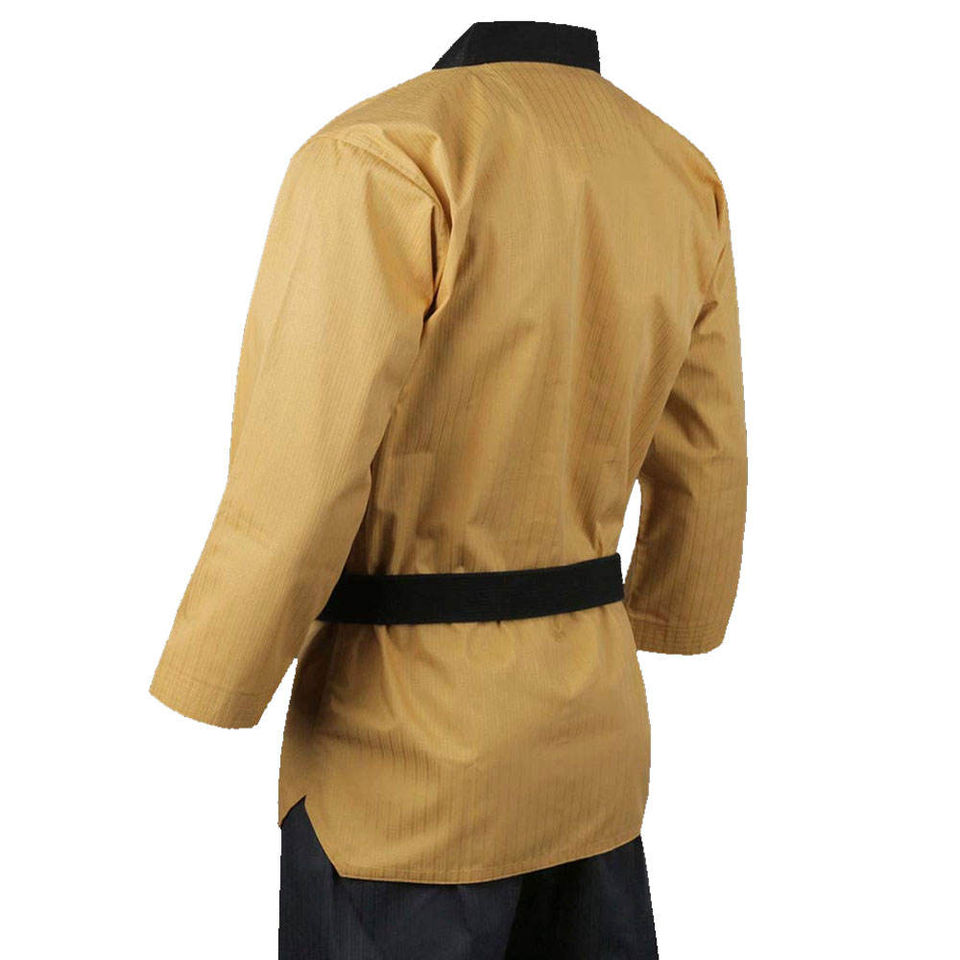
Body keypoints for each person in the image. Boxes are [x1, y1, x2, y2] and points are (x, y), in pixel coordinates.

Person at [150, 19, 747, 959]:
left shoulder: (387, 153)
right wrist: (678, 610)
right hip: (593, 742)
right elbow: (707, 447)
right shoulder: (676, 171)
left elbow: (304, 466)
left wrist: (214, 677)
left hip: (406, 756)